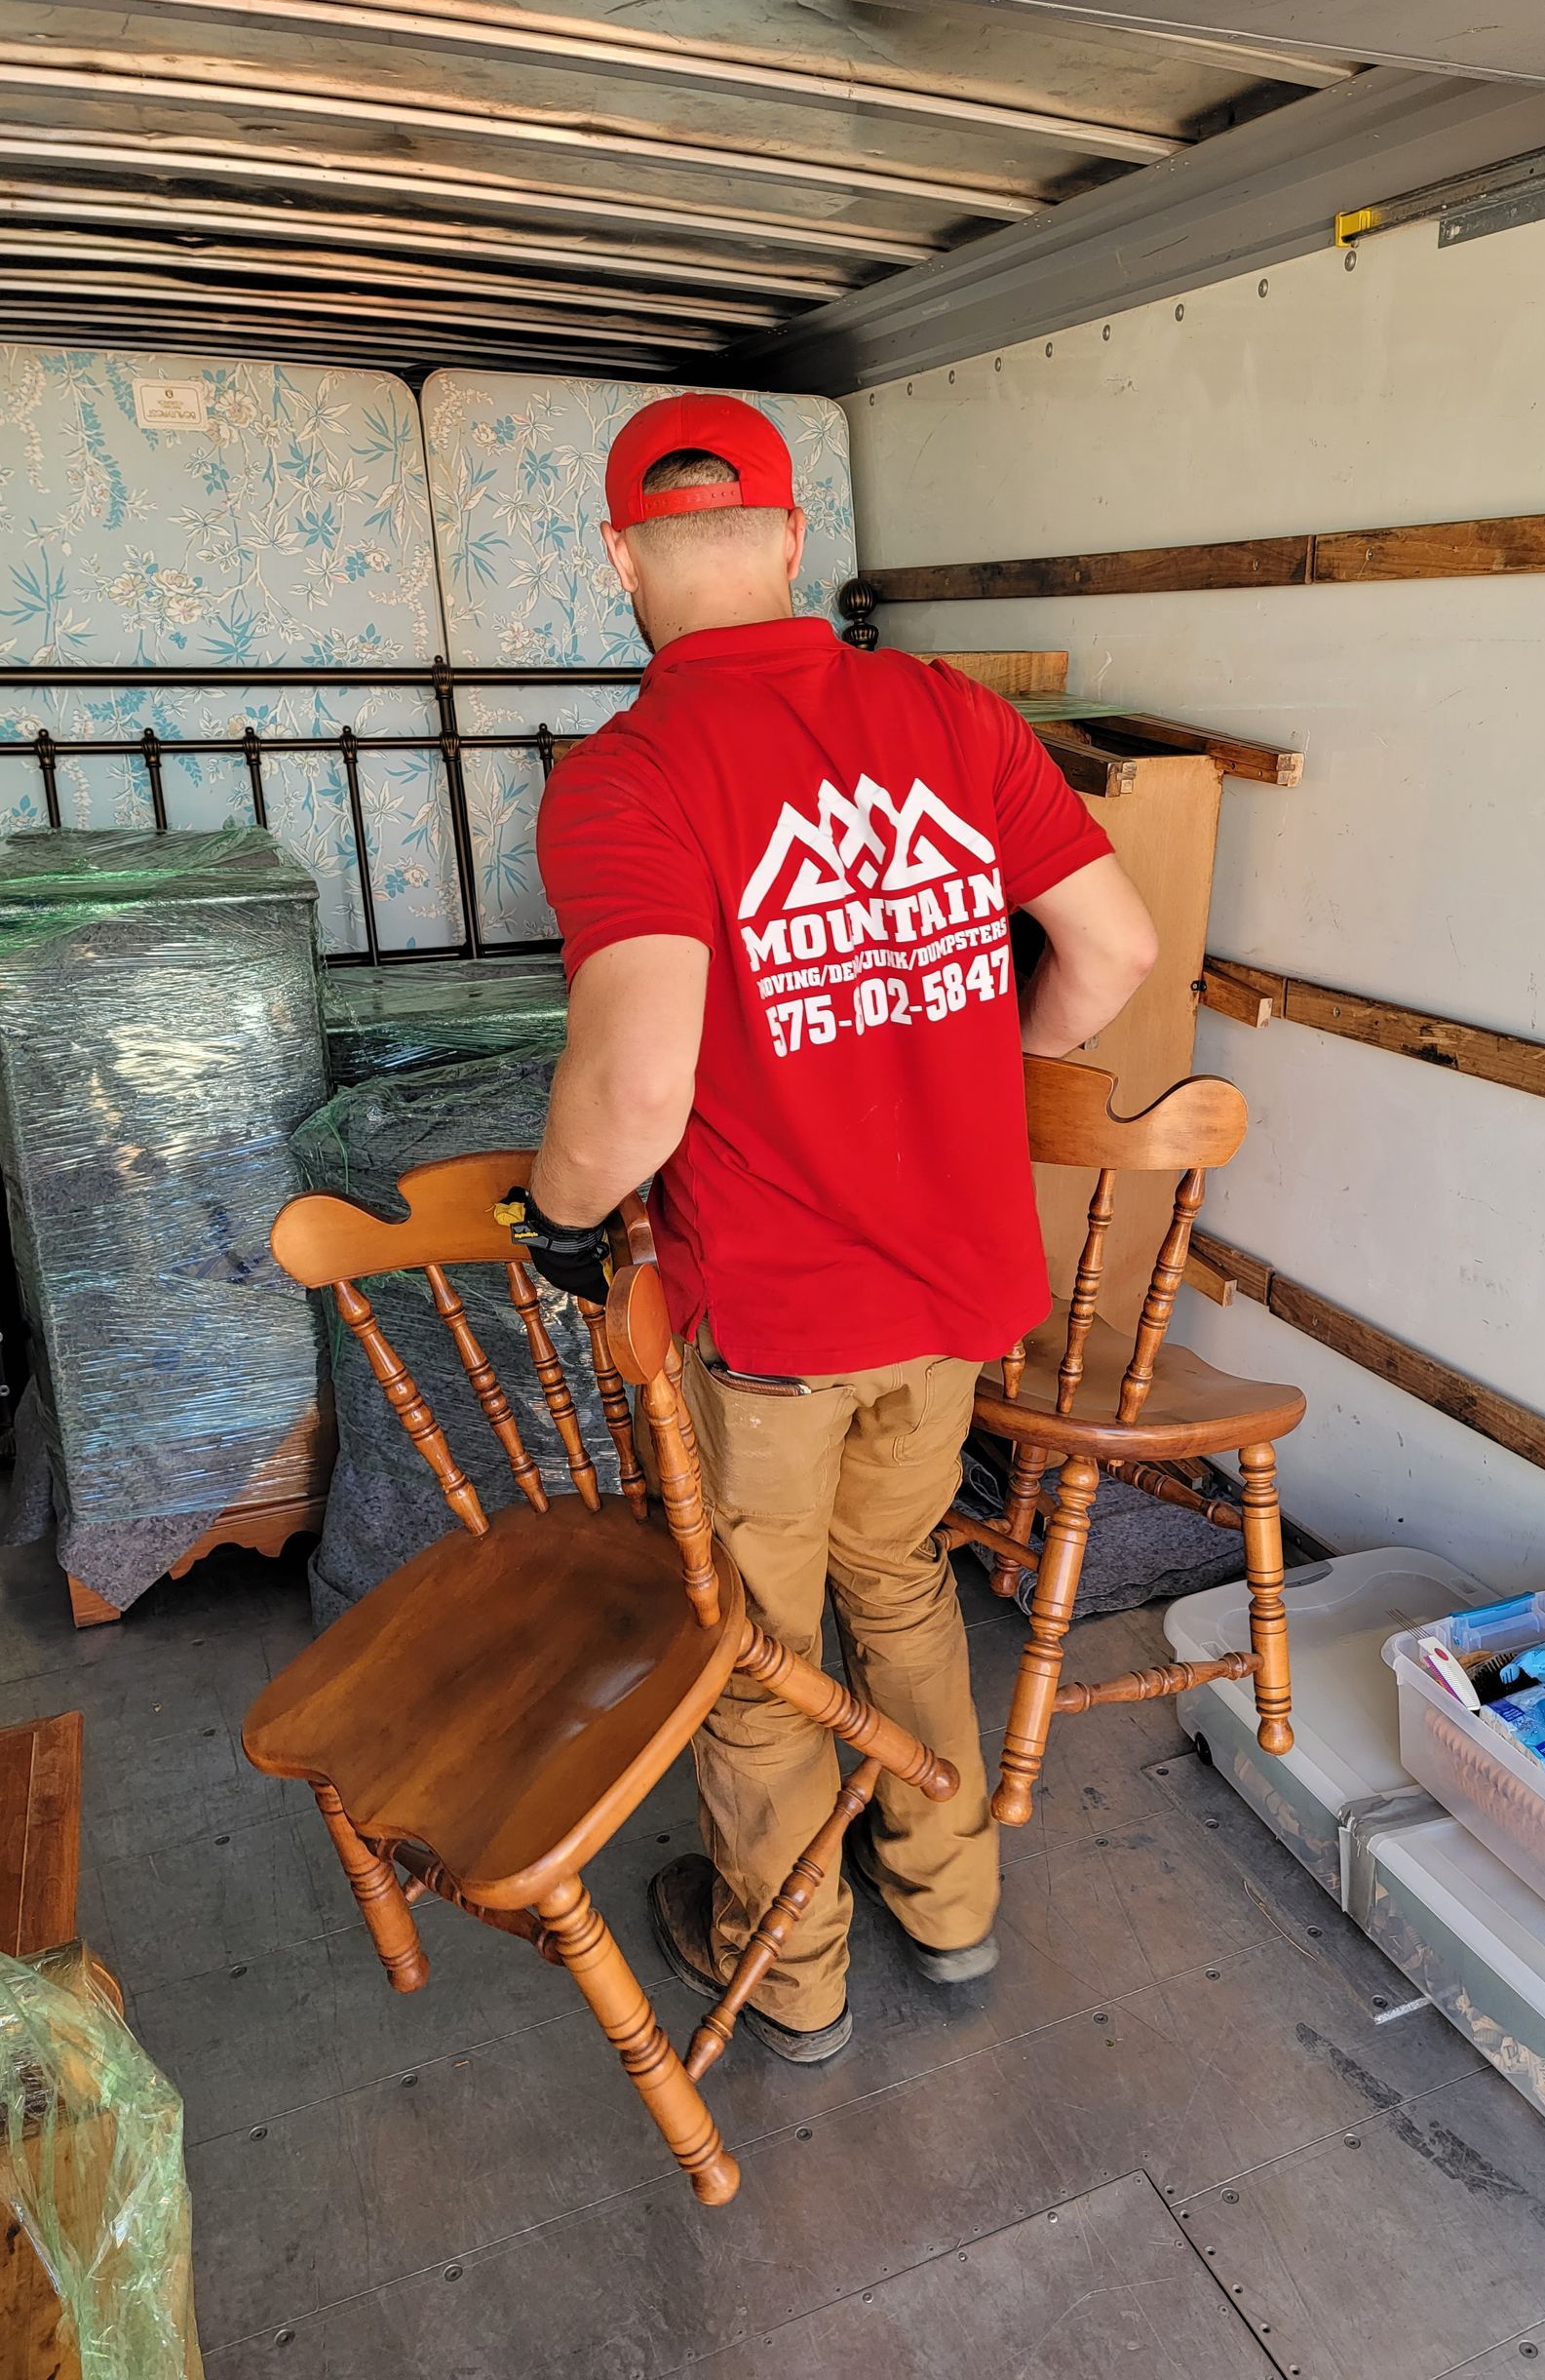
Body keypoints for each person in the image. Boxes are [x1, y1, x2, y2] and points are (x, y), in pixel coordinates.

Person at [519, 392, 1158, 2062]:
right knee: (903, 1585)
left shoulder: (628, 777)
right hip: (958, 1295)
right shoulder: (948, 715)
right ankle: (948, 1910)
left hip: (783, 1331)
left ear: (618, 558)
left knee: (756, 1647)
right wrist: (958, 1069)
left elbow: (635, 1088)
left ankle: (785, 1973)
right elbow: (1116, 955)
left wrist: (560, 1223)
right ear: (798, 539)